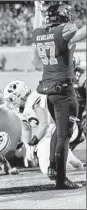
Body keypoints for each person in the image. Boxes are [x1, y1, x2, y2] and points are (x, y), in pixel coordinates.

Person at [33, 1, 86, 189]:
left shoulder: (40, 33)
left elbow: (36, 25)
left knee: (58, 129)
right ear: (64, 18)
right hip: (64, 90)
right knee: (64, 134)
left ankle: (54, 169)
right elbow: (81, 33)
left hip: (48, 90)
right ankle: (61, 179)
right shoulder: (65, 31)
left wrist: (37, 9)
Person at [3, 80, 84, 174]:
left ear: (19, 95)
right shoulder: (22, 108)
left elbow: (45, 124)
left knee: (47, 168)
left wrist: (33, 143)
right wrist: (27, 147)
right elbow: (25, 128)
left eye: (11, 99)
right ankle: (70, 159)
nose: (11, 102)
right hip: (54, 131)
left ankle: (65, 163)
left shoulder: (35, 98)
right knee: (42, 146)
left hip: (66, 127)